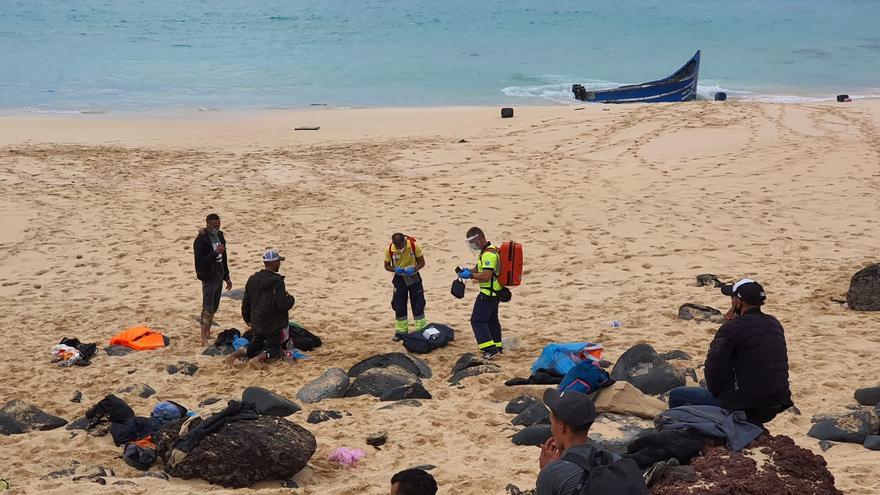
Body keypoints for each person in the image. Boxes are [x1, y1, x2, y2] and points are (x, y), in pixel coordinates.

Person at [668, 279, 793, 425]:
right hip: (775, 405)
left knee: (677, 395)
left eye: (732, 298)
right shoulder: (774, 324)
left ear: (739, 302)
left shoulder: (732, 328)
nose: (731, 302)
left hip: (748, 407)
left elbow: (713, 369)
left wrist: (722, 397)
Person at [537, 388, 647, 494]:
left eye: (552, 423)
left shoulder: (553, 473)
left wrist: (546, 471)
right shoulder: (616, 461)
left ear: (562, 426)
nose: (551, 428)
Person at [230, 249, 295, 367]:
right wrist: (291, 299)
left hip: (257, 320)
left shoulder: (252, 279)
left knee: (256, 344)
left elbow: (246, 302)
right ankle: (257, 359)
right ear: (273, 263)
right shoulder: (277, 281)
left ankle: (236, 354)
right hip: (272, 323)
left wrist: (247, 319)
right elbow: (282, 305)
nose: (279, 264)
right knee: (275, 349)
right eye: (278, 262)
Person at [458, 227, 503, 359]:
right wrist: (468, 271)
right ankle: (497, 346)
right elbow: (479, 269)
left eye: (473, 242)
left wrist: (471, 277)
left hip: (488, 293)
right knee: (492, 320)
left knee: (477, 321)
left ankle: (489, 349)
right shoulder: (488, 250)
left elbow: (487, 275)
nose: (472, 245)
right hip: (495, 292)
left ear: (479, 238)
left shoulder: (488, 254)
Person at [193, 213, 232, 346]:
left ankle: (208, 332)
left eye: (219, 225)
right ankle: (203, 338)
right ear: (208, 224)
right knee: (208, 307)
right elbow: (199, 262)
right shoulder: (201, 240)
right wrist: (215, 253)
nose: (217, 227)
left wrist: (227, 276)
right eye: (214, 225)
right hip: (208, 276)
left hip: (219, 274)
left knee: (214, 306)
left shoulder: (220, 235)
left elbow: (224, 258)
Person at [384, 233, 427, 341]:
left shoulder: (413, 246)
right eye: (397, 246)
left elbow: (422, 262)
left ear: (404, 241)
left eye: (401, 245)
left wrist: (414, 268)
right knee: (399, 305)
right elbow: (386, 265)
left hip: (413, 277)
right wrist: (395, 269)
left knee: (418, 303)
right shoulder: (390, 249)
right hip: (399, 279)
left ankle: (421, 329)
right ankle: (401, 332)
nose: (400, 248)